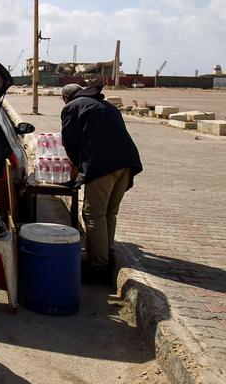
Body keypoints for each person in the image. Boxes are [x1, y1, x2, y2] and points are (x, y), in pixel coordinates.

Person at [61, 83, 142, 282]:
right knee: (109, 212)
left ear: (66, 98)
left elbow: (69, 141)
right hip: (127, 163)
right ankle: (106, 253)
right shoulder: (107, 106)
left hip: (103, 166)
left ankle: (97, 266)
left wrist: (74, 167)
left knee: (93, 213)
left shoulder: (73, 107)